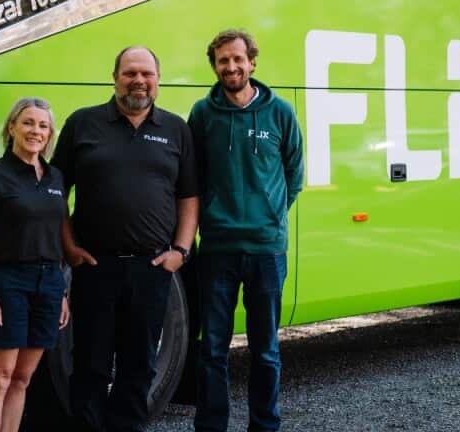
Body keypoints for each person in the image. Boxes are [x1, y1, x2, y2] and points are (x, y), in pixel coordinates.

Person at [53, 46, 199, 432]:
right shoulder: (83, 124)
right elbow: (55, 191)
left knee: (139, 366)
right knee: (90, 363)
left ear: (157, 80)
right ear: (115, 77)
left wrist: (181, 252)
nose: (139, 81)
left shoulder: (175, 129)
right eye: (130, 73)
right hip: (95, 267)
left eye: (147, 74)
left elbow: (189, 196)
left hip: (152, 269)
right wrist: (68, 247)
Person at [191, 29, 304, 432]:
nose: (231, 67)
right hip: (218, 249)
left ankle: (265, 425)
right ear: (215, 66)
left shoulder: (280, 114)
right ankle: (211, 426)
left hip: (267, 251)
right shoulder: (202, 115)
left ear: (252, 62)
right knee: (212, 351)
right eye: (223, 60)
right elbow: (194, 178)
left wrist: (268, 215)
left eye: (238, 59)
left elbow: (295, 175)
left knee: (266, 352)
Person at [0, 97, 70, 432]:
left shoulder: (55, 177)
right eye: (27, 123)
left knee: (23, 378)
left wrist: (62, 292)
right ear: (11, 127)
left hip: (48, 283)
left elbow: (54, 237)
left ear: (50, 134)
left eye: (42, 126)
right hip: (6, 282)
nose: (35, 131)